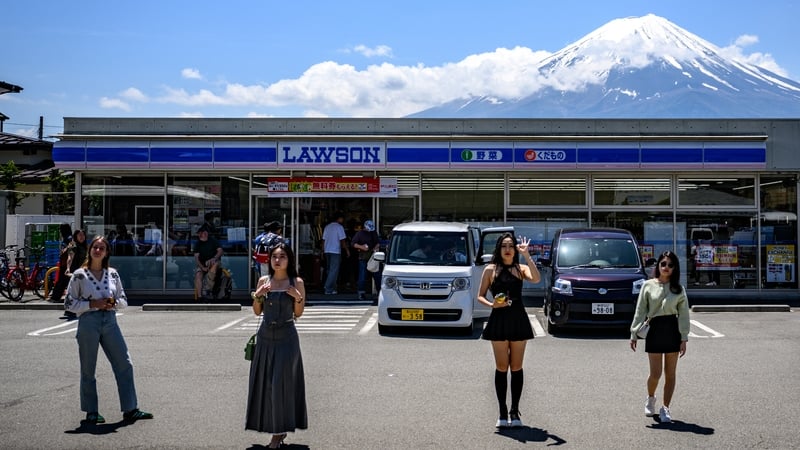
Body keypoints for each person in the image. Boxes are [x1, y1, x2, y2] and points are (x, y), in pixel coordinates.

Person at [64, 235, 153, 425]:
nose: (98, 250)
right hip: (88, 321)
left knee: (125, 363)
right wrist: (92, 304)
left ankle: (130, 408)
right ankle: (91, 411)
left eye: (101, 248)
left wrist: (112, 303)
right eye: (95, 247)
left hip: (110, 321)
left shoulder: (113, 274)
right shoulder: (79, 275)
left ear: (106, 253)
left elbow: (123, 300)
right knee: (88, 368)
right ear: (90, 250)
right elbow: (69, 303)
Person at [246, 242, 308, 448]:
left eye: (282, 256)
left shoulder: (296, 282)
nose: (277, 260)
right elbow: (257, 312)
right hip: (265, 336)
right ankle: (275, 429)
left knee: (280, 384)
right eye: (274, 257)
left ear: (289, 260)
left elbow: (299, 313)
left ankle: (278, 433)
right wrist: (258, 295)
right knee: (266, 384)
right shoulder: (264, 280)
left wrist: (297, 298)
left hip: (287, 337)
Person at [477, 232, 541, 428]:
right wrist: (492, 304)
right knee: (502, 366)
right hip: (498, 319)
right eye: (504, 246)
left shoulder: (521, 268)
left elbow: (536, 279)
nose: (507, 249)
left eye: (511, 246)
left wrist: (527, 255)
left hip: (518, 319)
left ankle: (515, 410)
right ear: (499, 249)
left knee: (516, 366)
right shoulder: (490, 269)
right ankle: (502, 412)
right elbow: (480, 295)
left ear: (515, 250)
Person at [630, 250, 690, 424]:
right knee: (655, 374)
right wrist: (634, 333)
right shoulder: (648, 285)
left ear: (675, 268)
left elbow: (684, 315)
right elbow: (640, 310)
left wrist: (684, 338)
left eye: (670, 265)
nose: (666, 267)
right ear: (658, 265)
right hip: (654, 330)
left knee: (670, 373)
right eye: (663, 264)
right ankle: (650, 398)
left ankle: (665, 407)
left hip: (672, 329)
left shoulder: (679, 289)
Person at [351, 219, 380, 301]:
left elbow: (378, 242)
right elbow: (353, 244)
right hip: (363, 257)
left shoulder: (373, 233)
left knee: (377, 275)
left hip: (373, 257)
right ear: (365, 227)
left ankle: (379, 292)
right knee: (362, 276)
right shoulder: (359, 234)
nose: (369, 230)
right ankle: (361, 293)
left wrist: (375, 248)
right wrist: (362, 247)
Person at [321, 212, 349, 295]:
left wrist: (322, 251)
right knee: (334, 270)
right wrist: (347, 250)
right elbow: (342, 240)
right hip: (335, 251)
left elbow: (323, 240)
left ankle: (333, 288)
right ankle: (328, 287)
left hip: (327, 250)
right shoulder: (339, 227)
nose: (343, 220)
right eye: (342, 218)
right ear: (339, 218)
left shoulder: (327, 227)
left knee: (329, 270)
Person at [193, 224, 223, 300]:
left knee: (214, 265)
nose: (199, 235)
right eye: (198, 233)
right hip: (202, 264)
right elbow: (196, 258)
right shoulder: (198, 243)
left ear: (205, 233)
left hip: (214, 262)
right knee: (198, 275)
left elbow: (220, 251)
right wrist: (202, 267)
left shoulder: (213, 240)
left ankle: (207, 290)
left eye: (201, 233)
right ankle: (200, 296)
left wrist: (214, 258)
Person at [48, 223, 73, 304]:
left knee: (61, 281)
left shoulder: (69, 238)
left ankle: (55, 297)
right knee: (62, 281)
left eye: (61, 229)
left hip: (66, 263)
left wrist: (64, 250)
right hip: (64, 262)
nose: (60, 231)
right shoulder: (66, 237)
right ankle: (56, 296)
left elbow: (70, 248)